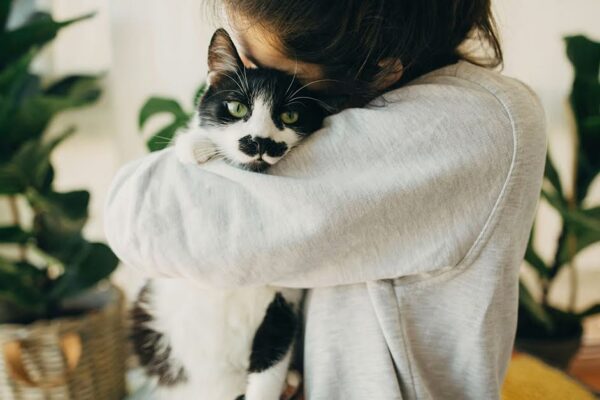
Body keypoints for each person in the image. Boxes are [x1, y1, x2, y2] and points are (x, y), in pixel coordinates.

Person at [104, 1, 547, 399]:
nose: (250, 75)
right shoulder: (470, 107)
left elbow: (142, 216)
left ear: (379, 72)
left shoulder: (467, 127)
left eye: (272, 72)